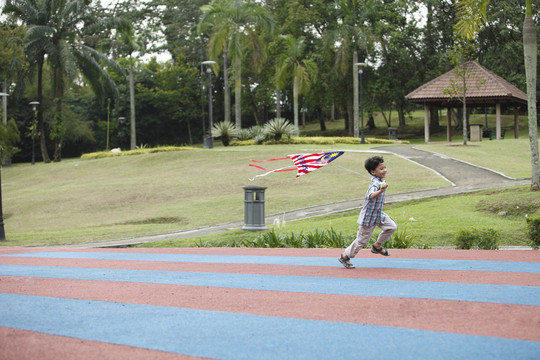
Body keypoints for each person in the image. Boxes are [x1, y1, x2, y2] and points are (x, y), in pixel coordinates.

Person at [338, 156, 397, 269]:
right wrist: (381, 190)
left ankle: (377, 246)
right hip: (369, 217)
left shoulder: (379, 180)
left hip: (378, 215)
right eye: (381, 168)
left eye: (384, 167)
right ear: (373, 172)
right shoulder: (375, 183)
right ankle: (345, 256)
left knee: (391, 227)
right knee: (361, 241)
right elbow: (370, 196)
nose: (384, 170)